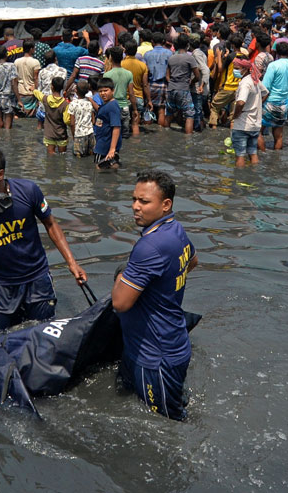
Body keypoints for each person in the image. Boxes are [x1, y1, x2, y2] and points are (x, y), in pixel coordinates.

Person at [0, 146, 88, 337]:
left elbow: (51, 224)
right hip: (0, 284)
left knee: (47, 333)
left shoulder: (28, 191)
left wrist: (72, 263)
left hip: (37, 278)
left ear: (0, 174)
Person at [112, 170, 198, 420]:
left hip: (156, 356)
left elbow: (120, 303)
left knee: (166, 425)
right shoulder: (176, 229)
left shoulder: (150, 246)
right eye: (134, 199)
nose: (135, 207)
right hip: (154, 343)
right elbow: (192, 261)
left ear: (165, 204)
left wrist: (121, 275)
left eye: (144, 202)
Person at [259, 41, 288, 150]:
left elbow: (265, 87)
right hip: (283, 104)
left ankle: (261, 155)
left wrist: (259, 102)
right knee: (279, 136)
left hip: (269, 103)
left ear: (277, 53)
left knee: (257, 132)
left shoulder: (273, 65)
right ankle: (276, 159)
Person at [230, 54, 262, 167]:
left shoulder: (245, 83)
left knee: (240, 155)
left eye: (237, 68)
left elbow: (241, 102)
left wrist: (236, 115)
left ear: (245, 69)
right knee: (253, 153)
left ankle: (239, 179)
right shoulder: (255, 80)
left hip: (243, 124)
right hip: (254, 124)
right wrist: (255, 106)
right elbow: (265, 92)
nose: (235, 71)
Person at [166, 36, 200, 134]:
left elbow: (167, 76)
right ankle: (188, 139)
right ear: (187, 45)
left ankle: (165, 134)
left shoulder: (171, 58)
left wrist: (173, 83)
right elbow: (197, 76)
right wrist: (191, 82)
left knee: (169, 113)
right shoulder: (190, 58)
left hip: (171, 89)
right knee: (189, 115)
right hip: (183, 89)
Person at [33, 76, 71, 154]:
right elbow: (66, 121)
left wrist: (33, 90)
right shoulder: (65, 104)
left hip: (49, 134)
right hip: (61, 135)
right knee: (62, 157)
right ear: (62, 88)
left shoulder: (46, 99)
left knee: (50, 157)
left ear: (52, 87)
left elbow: (39, 94)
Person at [93, 77, 123, 169]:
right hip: (104, 142)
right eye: (100, 91)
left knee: (98, 167)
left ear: (113, 91)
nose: (103, 93)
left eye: (106, 90)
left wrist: (112, 149)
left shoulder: (112, 106)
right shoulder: (107, 104)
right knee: (112, 165)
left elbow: (116, 127)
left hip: (105, 145)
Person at [0, 45, 18, 130]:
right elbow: (14, 84)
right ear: (6, 54)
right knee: (8, 127)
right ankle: (7, 140)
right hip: (8, 97)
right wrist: (19, 99)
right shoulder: (11, 66)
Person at [67, 79, 97, 158]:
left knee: (78, 159)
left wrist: (73, 136)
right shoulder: (89, 103)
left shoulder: (73, 104)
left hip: (79, 135)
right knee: (91, 157)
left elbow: (72, 123)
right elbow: (93, 121)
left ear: (76, 91)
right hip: (90, 134)